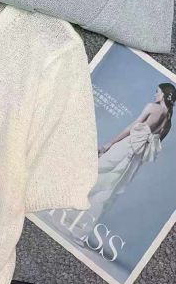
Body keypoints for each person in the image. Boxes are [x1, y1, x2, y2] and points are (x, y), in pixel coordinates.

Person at [73, 83, 176, 238]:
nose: (155, 94)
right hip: (137, 158)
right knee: (113, 188)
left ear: (164, 95)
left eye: (157, 92)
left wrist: (110, 143)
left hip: (127, 146)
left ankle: (73, 208)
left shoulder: (152, 107)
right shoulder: (168, 122)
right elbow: (154, 145)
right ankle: (84, 228)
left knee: (101, 171)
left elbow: (131, 127)